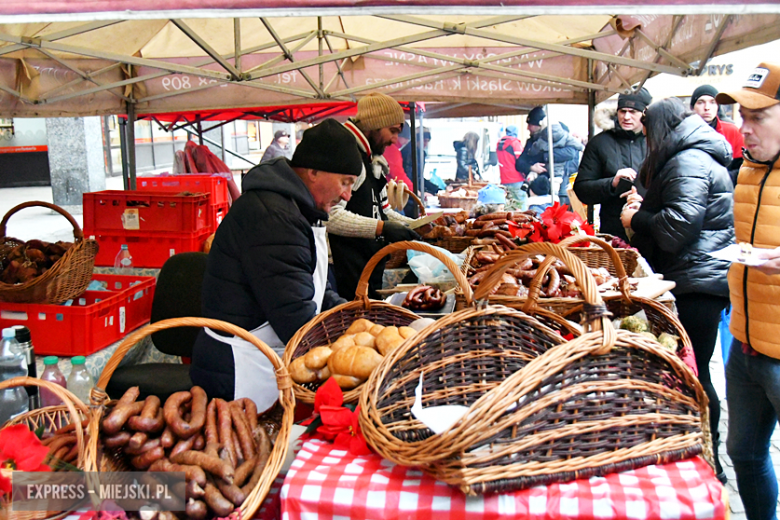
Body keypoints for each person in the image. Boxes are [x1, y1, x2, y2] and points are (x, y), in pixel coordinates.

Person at [191, 119, 361, 410]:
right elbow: (295, 318)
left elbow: (314, 291)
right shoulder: (273, 217)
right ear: (313, 172)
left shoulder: (296, 209)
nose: (346, 195)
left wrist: (354, 317)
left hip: (262, 355)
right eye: (344, 182)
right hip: (239, 369)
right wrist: (352, 346)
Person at [619, 97, 734, 485]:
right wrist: (647, 203)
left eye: (649, 134)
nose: (647, 142)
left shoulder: (688, 160)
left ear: (662, 129)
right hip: (694, 275)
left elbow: (676, 229)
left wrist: (637, 217)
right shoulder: (687, 155)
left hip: (698, 279)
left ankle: (709, 460)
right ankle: (703, 454)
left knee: (695, 374)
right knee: (693, 370)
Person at [715, 62, 780, 520]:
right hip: (744, 342)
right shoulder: (748, 170)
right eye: (742, 115)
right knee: (745, 454)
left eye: (758, 117)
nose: (744, 128)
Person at [327, 92, 422, 301]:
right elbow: (331, 217)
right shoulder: (349, 157)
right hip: (347, 272)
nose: (395, 140)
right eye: (392, 131)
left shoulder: (372, 160)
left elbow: (383, 211)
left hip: (369, 267)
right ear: (375, 124)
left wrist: (415, 225)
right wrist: (382, 228)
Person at [573, 88, 652, 241]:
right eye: (623, 111)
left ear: (644, 113)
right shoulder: (599, 143)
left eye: (633, 111)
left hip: (650, 228)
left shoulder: (657, 142)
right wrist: (612, 183)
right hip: (614, 230)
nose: (626, 117)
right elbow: (581, 189)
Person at [515, 107, 582, 205]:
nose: (528, 128)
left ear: (539, 125)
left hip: (560, 188)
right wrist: (531, 167)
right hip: (538, 190)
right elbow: (519, 163)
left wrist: (544, 157)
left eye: (531, 124)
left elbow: (570, 153)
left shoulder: (560, 134)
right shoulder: (532, 141)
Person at [690, 84, 745, 184]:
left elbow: (743, 169)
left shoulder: (732, 131)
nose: (707, 108)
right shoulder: (684, 134)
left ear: (718, 106)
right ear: (693, 107)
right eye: (700, 102)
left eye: (712, 102)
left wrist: (719, 181)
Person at [496, 125, 526, 207]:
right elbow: (522, 161)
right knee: (521, 205)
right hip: (517, 179)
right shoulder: (515, 143)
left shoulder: (499, 144)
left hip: (504, 179)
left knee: (509, 206)